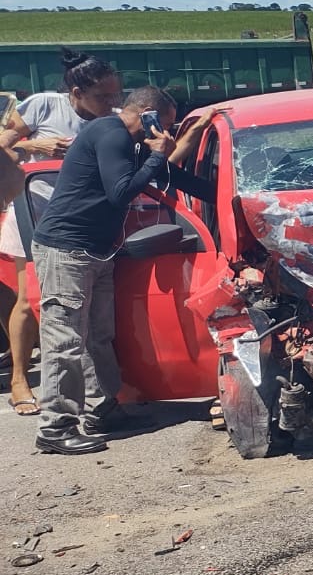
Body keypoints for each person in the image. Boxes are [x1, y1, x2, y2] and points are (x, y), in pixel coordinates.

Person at [31, 87, 213, 455]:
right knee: (65, 340)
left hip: (95, 250)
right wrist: (156, 154)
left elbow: (169, 177)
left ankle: (102, 410)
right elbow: (120, 192)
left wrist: (225, 196)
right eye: (164, 123)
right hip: (67, 250)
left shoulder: (130, 143)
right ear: (146, 114)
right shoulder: (110, 133)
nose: (168, 132)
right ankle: (55, 426)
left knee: (98, 336)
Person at [0, 48, 124, 417]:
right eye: (103, 96)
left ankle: (98, 398)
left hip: (79, 225)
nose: (111, 102)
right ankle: (20, 380)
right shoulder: (44, 106)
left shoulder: (110, 122)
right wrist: (34, 145)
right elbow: (3, 144)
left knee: (85, 318)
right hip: (33, 210)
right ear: (75, 93)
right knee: (28, 299)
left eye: (116, 94)